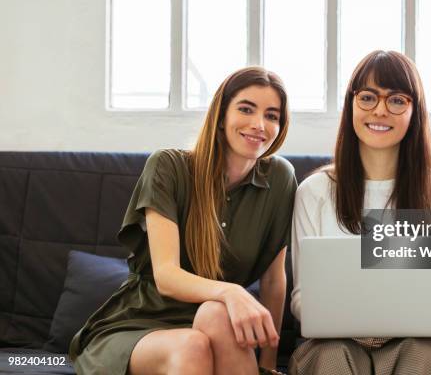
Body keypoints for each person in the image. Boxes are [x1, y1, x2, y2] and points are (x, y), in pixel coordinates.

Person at [69, 67, 297, 375]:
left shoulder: (281, 179)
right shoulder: (168, 166)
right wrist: (232, 291)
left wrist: (268, 363)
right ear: (220, 115)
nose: (259, 125)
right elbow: (166, 276)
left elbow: (273, 280)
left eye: (272, 115)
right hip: (142, 325)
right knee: (193, 345)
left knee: (215, 314)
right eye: (246, 109)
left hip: (218, 323)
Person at [288, 51, 431, 375]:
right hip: (334, 345)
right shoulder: (313, 191)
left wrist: (389, 324)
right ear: (351, 105)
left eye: (397, 100)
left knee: (424, 358)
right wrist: (360, 323)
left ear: (415, 111)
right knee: (331, 356)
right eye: (368, 97)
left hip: (409, 343)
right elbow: (303, 300)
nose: (380, 110)